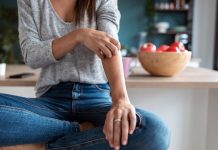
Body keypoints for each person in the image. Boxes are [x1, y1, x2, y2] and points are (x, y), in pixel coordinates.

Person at [0, 0, 170, 150]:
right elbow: (31, 55)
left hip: (95, 97)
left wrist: (121, 100)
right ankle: (79, 131)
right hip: (51, 101)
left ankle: (43, 147)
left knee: (155, 131)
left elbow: (109, 45)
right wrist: (79, 35)